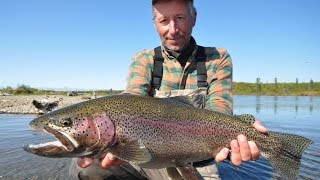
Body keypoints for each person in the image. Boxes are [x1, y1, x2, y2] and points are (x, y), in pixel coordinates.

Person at [73, 0, 268, 179]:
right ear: (154, 23)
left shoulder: (217, 58)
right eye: (164, 20)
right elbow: (129, 104)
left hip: (198, 159)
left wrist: (241, 131)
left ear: (194, 18)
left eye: (180, 18)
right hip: (148, 157)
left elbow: (220, 107)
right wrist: (107, 145)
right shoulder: (144, 59)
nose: (172, 29)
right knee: (86, 169)